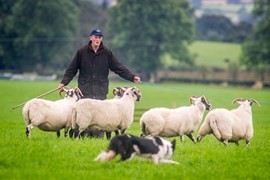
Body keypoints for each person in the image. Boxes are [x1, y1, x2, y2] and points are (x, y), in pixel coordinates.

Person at [58, 29, 141, 138]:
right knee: (85, 120)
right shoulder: (81, 52)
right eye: (96, 37)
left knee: (100, 121)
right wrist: (64, 82)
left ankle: (97, 139)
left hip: (100, 92)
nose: (98, 39)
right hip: (85, 91)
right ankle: (82, 139)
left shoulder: (107, 53)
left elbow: (119, 68)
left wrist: (132, 77)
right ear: (91, 38)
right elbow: (71, 69)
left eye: (100, 37)